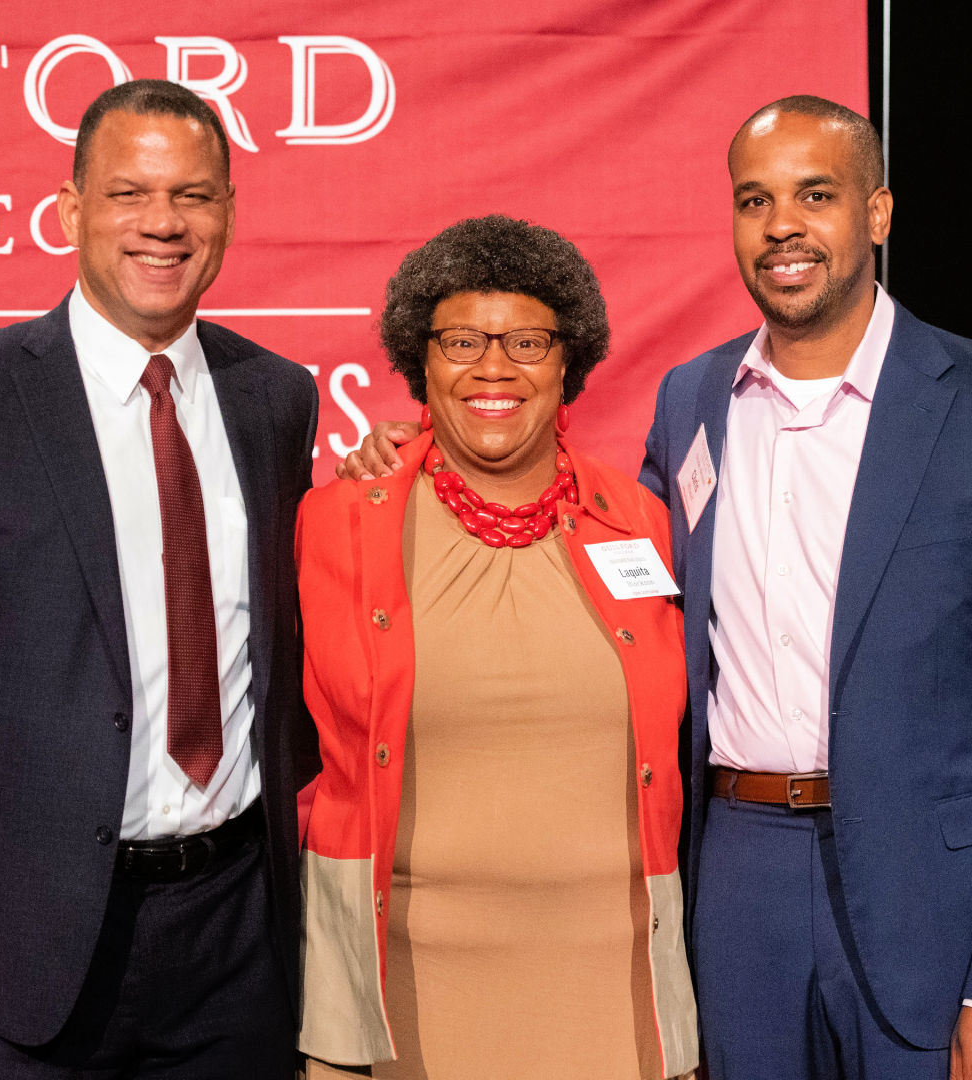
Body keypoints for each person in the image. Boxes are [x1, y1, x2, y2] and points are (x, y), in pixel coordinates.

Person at [339, 96, 972, 1080]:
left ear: (876, 214)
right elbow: (602, 559)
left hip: (933, 894)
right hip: (739, 874)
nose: (782, 224)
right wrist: (427, 457)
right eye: (756, 200)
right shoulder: (692, 398)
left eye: (815, 195)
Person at [0, 79, 319, 1080]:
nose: (162, 224)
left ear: (229, 214)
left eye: (193, 196)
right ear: (69, 211)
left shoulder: (276, 397)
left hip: (238, 932)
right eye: (128, 194)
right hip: (20, 941)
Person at [296, 215, 699, 1080]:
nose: (493, 368)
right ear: (421, 361)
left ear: (567, 363)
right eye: (462, 342)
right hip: (400, 986)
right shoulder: (335, 524)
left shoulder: (643, 524)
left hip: (614, 987)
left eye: (525, 340)